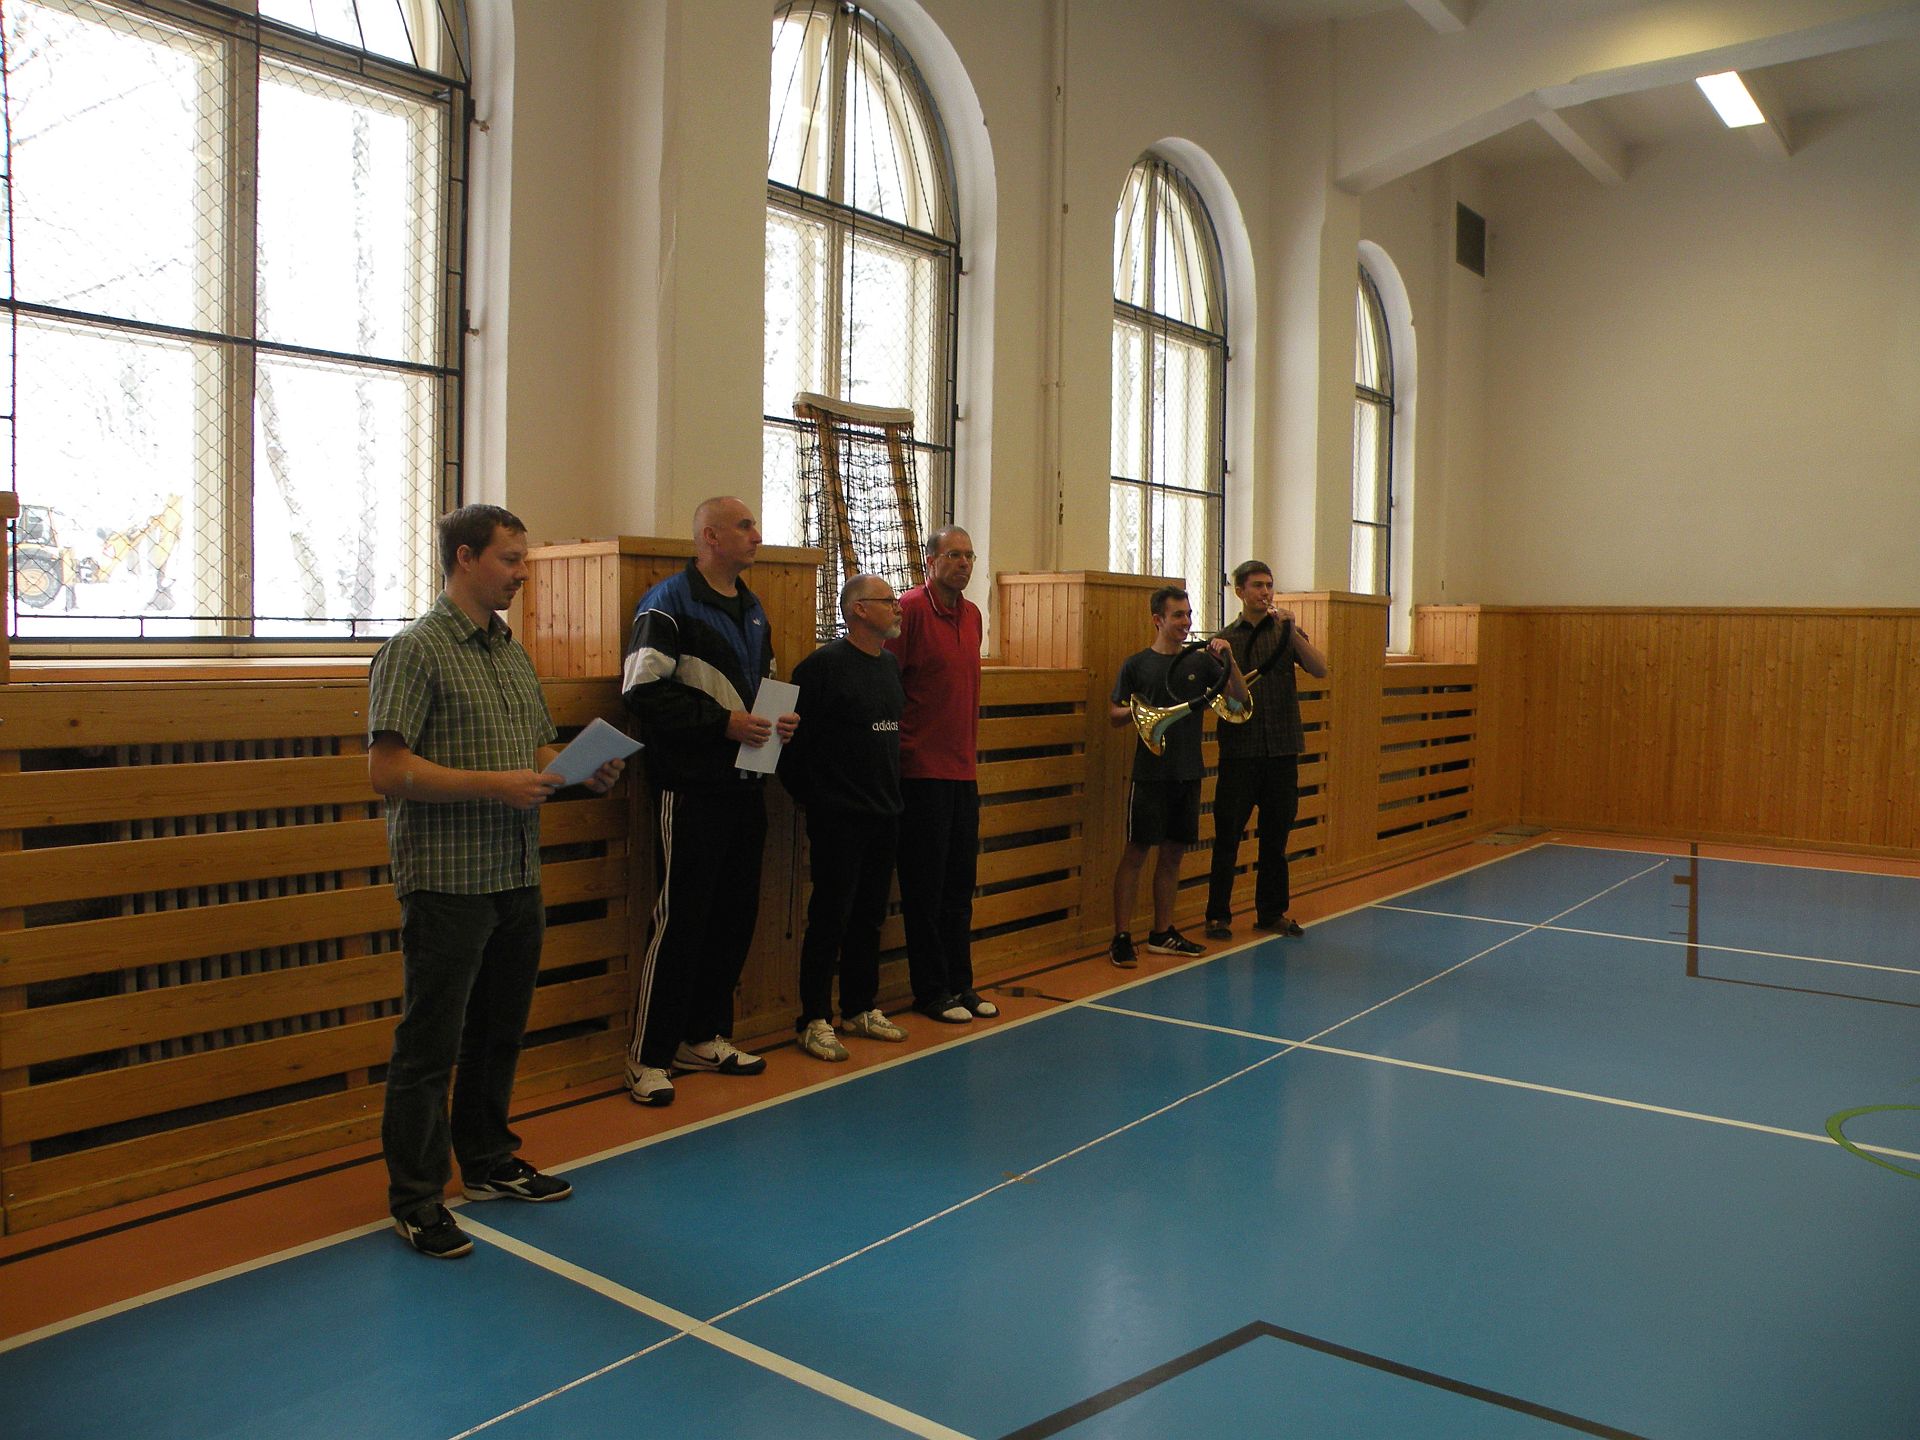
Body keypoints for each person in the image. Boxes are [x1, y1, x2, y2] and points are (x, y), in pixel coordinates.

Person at [368, 504, 625, 1260]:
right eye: (510, 560)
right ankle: (417, 1198)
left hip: (515, 872)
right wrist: (494, 785)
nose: (521, 574)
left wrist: (579, 771)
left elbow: (534, 750)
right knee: (430, 1044)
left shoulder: (510, 651)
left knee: (498, 1031)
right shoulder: (414, 651)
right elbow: (386, 768)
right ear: (465, 557)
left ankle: (485, 1161)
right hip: (448, 880)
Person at [619, 497, 799, 1106]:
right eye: (745, 526)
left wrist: (778, 722)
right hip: (690, 787)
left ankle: (702, 1036)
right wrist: (723, 724)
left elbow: (762, 688)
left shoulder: (753, 608)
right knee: (682, 918)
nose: (757, 535)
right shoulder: (667, 604)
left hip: (747, 785)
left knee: (733, 915)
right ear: (710, 537)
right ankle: (647, 1055)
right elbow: (641, 691)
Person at [781, 574, 911, 1061]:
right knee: (829, 917)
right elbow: (790, 744)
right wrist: (817, 798)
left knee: (869, 916)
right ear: (858, 609)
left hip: (884, 810)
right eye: (887, 601)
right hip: (839, 815)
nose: (897, 607)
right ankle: (813, 1019)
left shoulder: (890, 665)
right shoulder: (821, 667)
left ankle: (859, 1007)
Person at [885, 526, 995, 1025]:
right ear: (930, 561)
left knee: (958, 887)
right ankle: (930, 991)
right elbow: (887, 685)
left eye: (969, 556)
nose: (964, 563)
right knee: (925, 889)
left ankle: (960, 983)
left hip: (962, 772)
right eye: (954, 555)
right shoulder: (909, 610)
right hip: (920, 772)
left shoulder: (972, 615)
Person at [1107, 586, 1247, 968]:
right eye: (1178, 615)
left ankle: (1162, 933)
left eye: (1188, 614)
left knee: (1173, 854)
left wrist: (1229, 660)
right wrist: (1141, 713)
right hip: (1150, 774)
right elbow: (1114, 714)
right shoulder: (1137, 665)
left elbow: (1238, 699)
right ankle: (1121, 937)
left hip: (1188, 771)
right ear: (1158, 620)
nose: (1186, 622)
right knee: (1136, 852)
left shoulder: (1201, 663)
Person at [1204, 561, 1329, 940]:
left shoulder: (1286, 632)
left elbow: (1319, 669)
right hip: (1240, 751)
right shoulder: (1224, 640)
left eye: (1269, 585)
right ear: (1240, 591)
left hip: (1282, 749)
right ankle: (1218, 915)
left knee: (1276, 839)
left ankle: (1271, 912)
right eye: (1257, 585)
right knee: (1228, 837)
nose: (1265, 592)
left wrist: (1292, 632)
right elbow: (1224, 696)